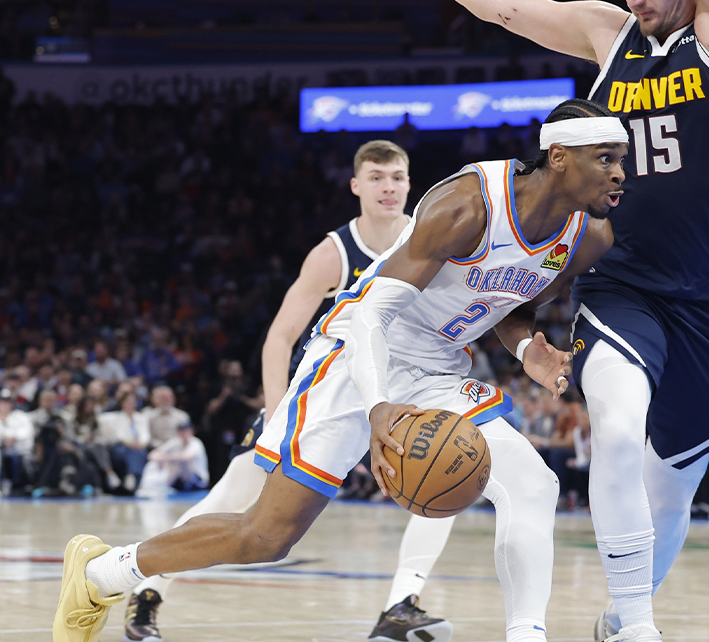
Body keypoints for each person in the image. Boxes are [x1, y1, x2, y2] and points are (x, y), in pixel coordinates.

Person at [53, 102, 627, 642]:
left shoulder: (588, 236)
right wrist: (378, 407)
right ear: (559, 157)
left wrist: (528, 347)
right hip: (358, 353)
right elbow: (373, 311)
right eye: (606, 158)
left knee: (533, 484)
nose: (619, 173)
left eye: (620, 160)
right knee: (266, 535)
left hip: (435, 365)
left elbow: (513, 302)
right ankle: (104, 572)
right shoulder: (470, 202)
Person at [409, 0, 709, 639]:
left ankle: (615, 619)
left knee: (669, 495)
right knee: (613, 427)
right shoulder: (610, 34)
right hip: (623, 285)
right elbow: (498, 3)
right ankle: (641, 627)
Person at [119, 141, 457, 642]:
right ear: (356, 185)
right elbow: (279, 337)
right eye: (377, 177)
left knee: (443, 479)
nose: (388, 187)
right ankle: (143, 587)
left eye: (398, 177)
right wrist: (277, 414)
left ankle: (401, 606)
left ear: (410, 184)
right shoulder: (334, 252)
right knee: (231, 498)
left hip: (395, 392)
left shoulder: (429, 237)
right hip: (326, 395)